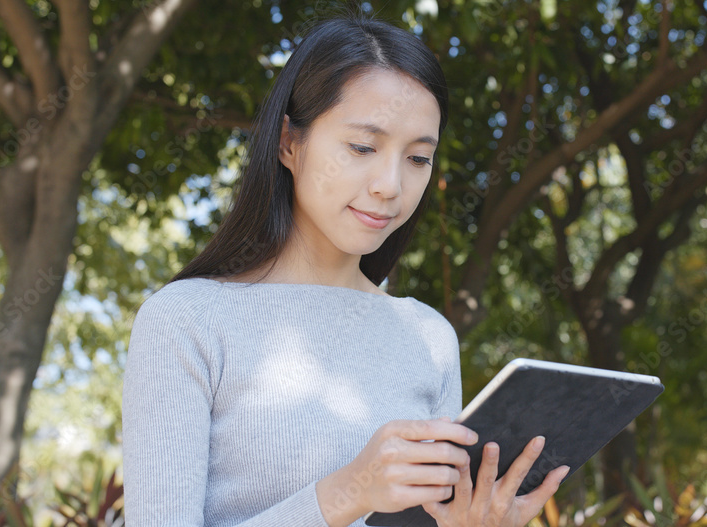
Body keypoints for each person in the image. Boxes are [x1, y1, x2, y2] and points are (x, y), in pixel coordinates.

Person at [121, 12, 570, 527]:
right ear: (290, 144)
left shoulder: (428, 338)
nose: (390, 185)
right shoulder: (185, 321)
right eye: (362, 147)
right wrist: (347, 492)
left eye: (418, 158)